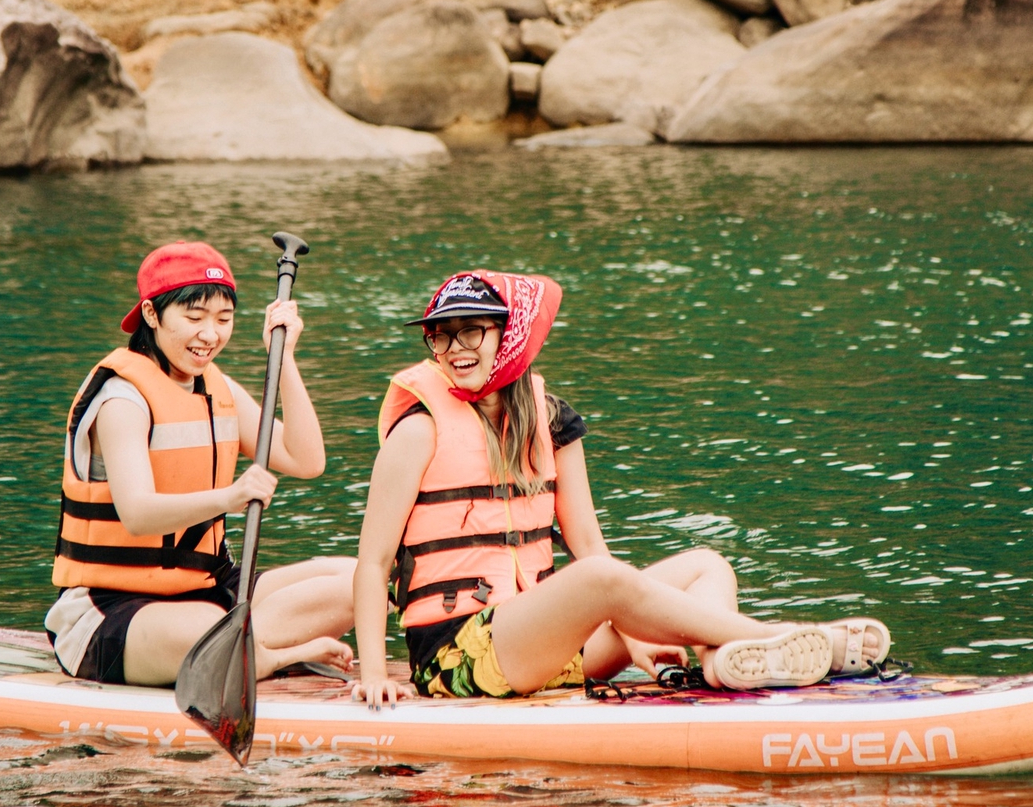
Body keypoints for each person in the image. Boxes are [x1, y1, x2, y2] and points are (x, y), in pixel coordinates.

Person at [350, 270, 889, 706]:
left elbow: (590, 548)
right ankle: (767, 636)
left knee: (705, 565)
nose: (453, 347)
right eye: (440, 334)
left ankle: (719, 661)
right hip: (460, 657)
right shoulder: (417, 430)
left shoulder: (551, 419)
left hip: (546, 642)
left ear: (506, 335)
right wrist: (375, 674)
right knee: (602, 579)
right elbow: (373, 564)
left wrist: (637, 642)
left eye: (471, 330)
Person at [45, 241, 354, 686]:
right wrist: (231, 496)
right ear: (152, 315)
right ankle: (267, 656)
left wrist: (282, 359)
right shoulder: (122, 400)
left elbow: (306, 461)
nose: (210, 334)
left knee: (361, 582)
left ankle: (248, 651)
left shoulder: (216, 388)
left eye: (223, 320)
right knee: (204, 630)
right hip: (110, 610)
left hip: (209, 590)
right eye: (194, 318)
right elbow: (137, 513)